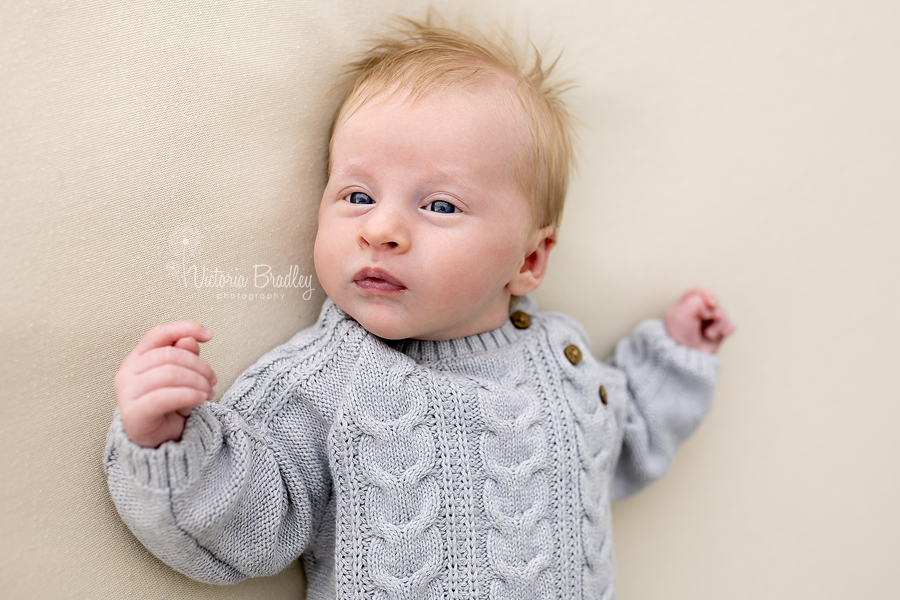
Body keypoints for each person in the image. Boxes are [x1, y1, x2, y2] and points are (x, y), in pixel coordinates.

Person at [105, 18, 734, 600]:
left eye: (439, 206)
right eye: (357, 195)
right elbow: (244, 530)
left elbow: (626, 441)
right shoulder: (323, 381)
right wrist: (167, 443)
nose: (381, 229)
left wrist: (676, 357)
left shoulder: (560, 362)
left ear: (530, 260)